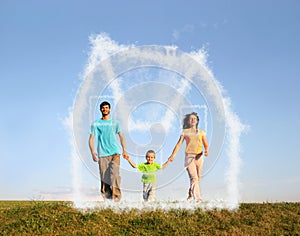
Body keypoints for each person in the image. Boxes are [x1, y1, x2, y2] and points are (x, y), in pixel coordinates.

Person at [89, 101, 127, 201]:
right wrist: (93, 152)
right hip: (102, 154)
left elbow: (121, 137)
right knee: (104, 178)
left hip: (115, 153)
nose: (105, 109)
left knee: (114, 174)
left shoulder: (115, 122)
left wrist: (124, 150)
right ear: (100, 109)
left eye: (106, 107)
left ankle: (117, 199)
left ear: (109, 109)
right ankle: (108, 199)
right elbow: (91, 139)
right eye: (103, 108)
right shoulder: (96, 124)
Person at [168, 112, 209, 202]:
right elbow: (179, 144)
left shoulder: (201, 132)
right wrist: (172, 155)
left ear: (197, 121)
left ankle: (191, 194)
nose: (193, 120)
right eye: (191, 119)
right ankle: (198, 198)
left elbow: (205, 143)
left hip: (199, 156)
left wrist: (206, 150)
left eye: (194, 118)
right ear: (189, 121)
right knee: (194, 177)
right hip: (189, 157)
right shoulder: (185, 132)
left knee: (198, 177)